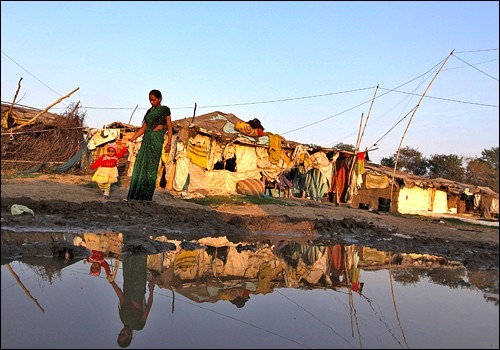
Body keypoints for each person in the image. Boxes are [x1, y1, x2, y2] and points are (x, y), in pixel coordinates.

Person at [127, 89, 173, 201]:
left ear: (160, 99)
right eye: (150, 100)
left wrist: (169, 143)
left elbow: (170, 127)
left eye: (154, 100)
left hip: (156, 139)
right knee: (140, 165)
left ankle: (146, 196)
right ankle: (136, 194)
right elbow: (143, 128)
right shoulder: (149, 112)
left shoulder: (165, 110)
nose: (152, 102)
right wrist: (132, 139)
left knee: (151, 167)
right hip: (146, 138)